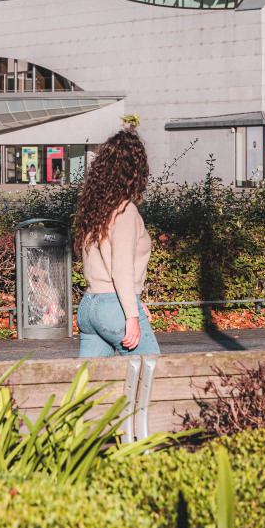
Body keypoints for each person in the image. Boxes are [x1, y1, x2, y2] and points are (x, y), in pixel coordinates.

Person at [73, 128, 160, 358]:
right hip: (114, 308)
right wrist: (131, 315)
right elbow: (121, 269)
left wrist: (134, 303)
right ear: (135, 170)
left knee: (88, 387)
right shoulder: (125, 210)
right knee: (153, 371)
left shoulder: (95, 208)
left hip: (89, 305)